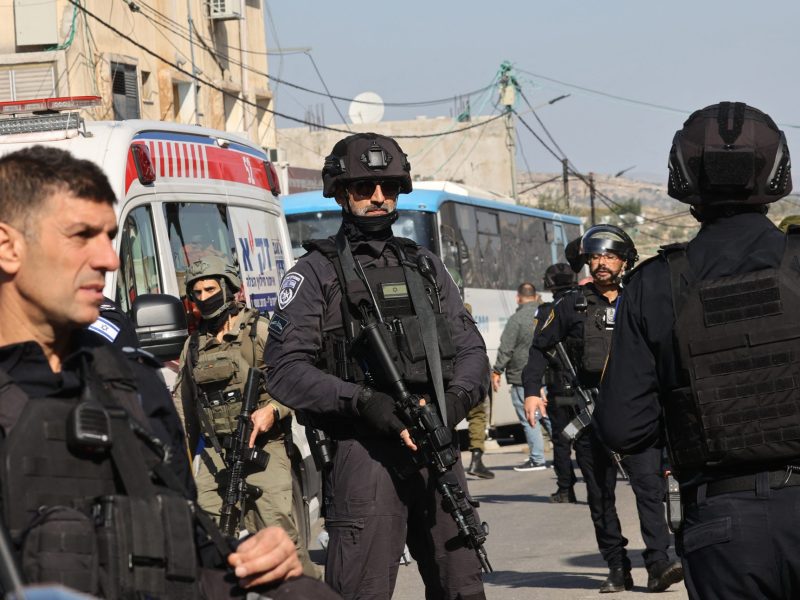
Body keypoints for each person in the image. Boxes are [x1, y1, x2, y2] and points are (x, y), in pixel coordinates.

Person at [0, 145, 337, 599]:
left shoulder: (129, 385)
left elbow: (187, 552)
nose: (109, 259)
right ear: (8, 247)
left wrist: (253, 557)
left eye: (110, 237)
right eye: (81, 235)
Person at [264, 132, 490, 600]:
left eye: (387, 187)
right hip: (363, 451)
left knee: (463, 588)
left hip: (435, 442)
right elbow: (284, 369)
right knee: (361, 591)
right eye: (365, 189)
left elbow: (472, 353)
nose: (378, 198)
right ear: (343, 194)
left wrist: (448, 407)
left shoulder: (425, 266)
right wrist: (366, 403)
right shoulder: (314, 274)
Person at [596, 102, 798, 600]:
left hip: (721, 526)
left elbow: (623, 426)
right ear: (775, 171)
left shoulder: (653, 285)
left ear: (684, 177)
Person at [524, 225, 683, 593]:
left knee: (649, 489)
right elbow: (539, 347)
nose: (601, 264)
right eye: (595, 257)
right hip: (590, 413)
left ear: (624, 261)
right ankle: (616, 565)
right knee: (600, 495)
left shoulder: (641, 298)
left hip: (639, 413)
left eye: (609, 257)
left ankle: (658, 562)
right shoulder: (570, 305)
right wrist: (532, 391)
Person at [173, 256, 317, 578]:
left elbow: (300, 378)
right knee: (206, 538)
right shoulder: (194, 346)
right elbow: (184, 409)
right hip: (216, 454)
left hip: (265, 448)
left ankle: (309, 591)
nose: (204, 296)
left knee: (279, 536)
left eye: (210, 288)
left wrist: (273, 410)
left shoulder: (260, 332)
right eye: (196, 292)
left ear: (229, 288)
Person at [523, 263, 579, 502]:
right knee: (586, 438)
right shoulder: (583, 305)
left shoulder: (548, 311)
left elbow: (538, 349)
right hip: (585, 390)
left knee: (563, 439)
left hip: (561, 389)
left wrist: (535, 389)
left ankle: (566, 489)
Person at [492, 282, 551, 471]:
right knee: (548, 415)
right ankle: (565, 448)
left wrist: (497, 370)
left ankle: (537, 458)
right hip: (546, 374)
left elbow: (506, 348)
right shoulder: (547, 314)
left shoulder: (516, 319)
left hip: (522, 377)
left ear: (518, 298)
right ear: (535, 296)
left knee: (530, 418)